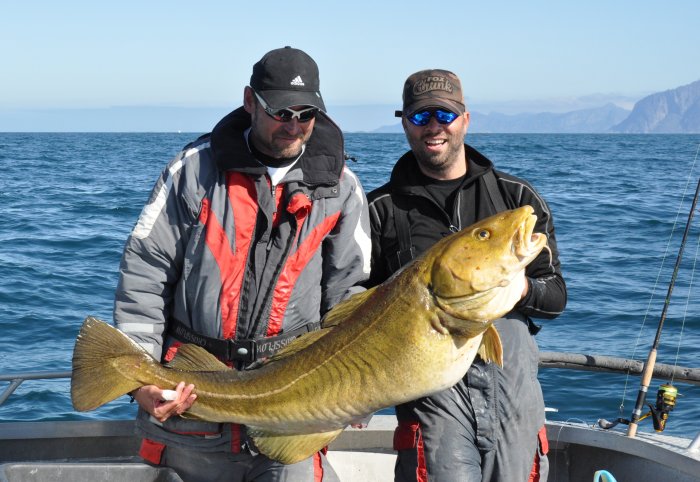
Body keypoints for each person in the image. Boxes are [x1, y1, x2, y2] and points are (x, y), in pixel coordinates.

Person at [114, 46, 371, 482]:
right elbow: (145, 273)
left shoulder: (341, 189)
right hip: (191, 402)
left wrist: (356, 387)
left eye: (306, 114)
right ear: (251, 102)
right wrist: (141, 378)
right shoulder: (192, 171)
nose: (293, 125)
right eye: (280, 111)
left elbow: (351, 296)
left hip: (295, 407)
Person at [366, 69, 567, 482]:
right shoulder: (379, 209)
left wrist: (517, 286)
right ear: (404, 122)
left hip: (512, 389)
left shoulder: (516, 198)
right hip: (431, 392)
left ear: (466, 119)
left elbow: (556, 298)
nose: (434, 127)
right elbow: (357, 310)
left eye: (445, 115)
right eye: (420, 118)